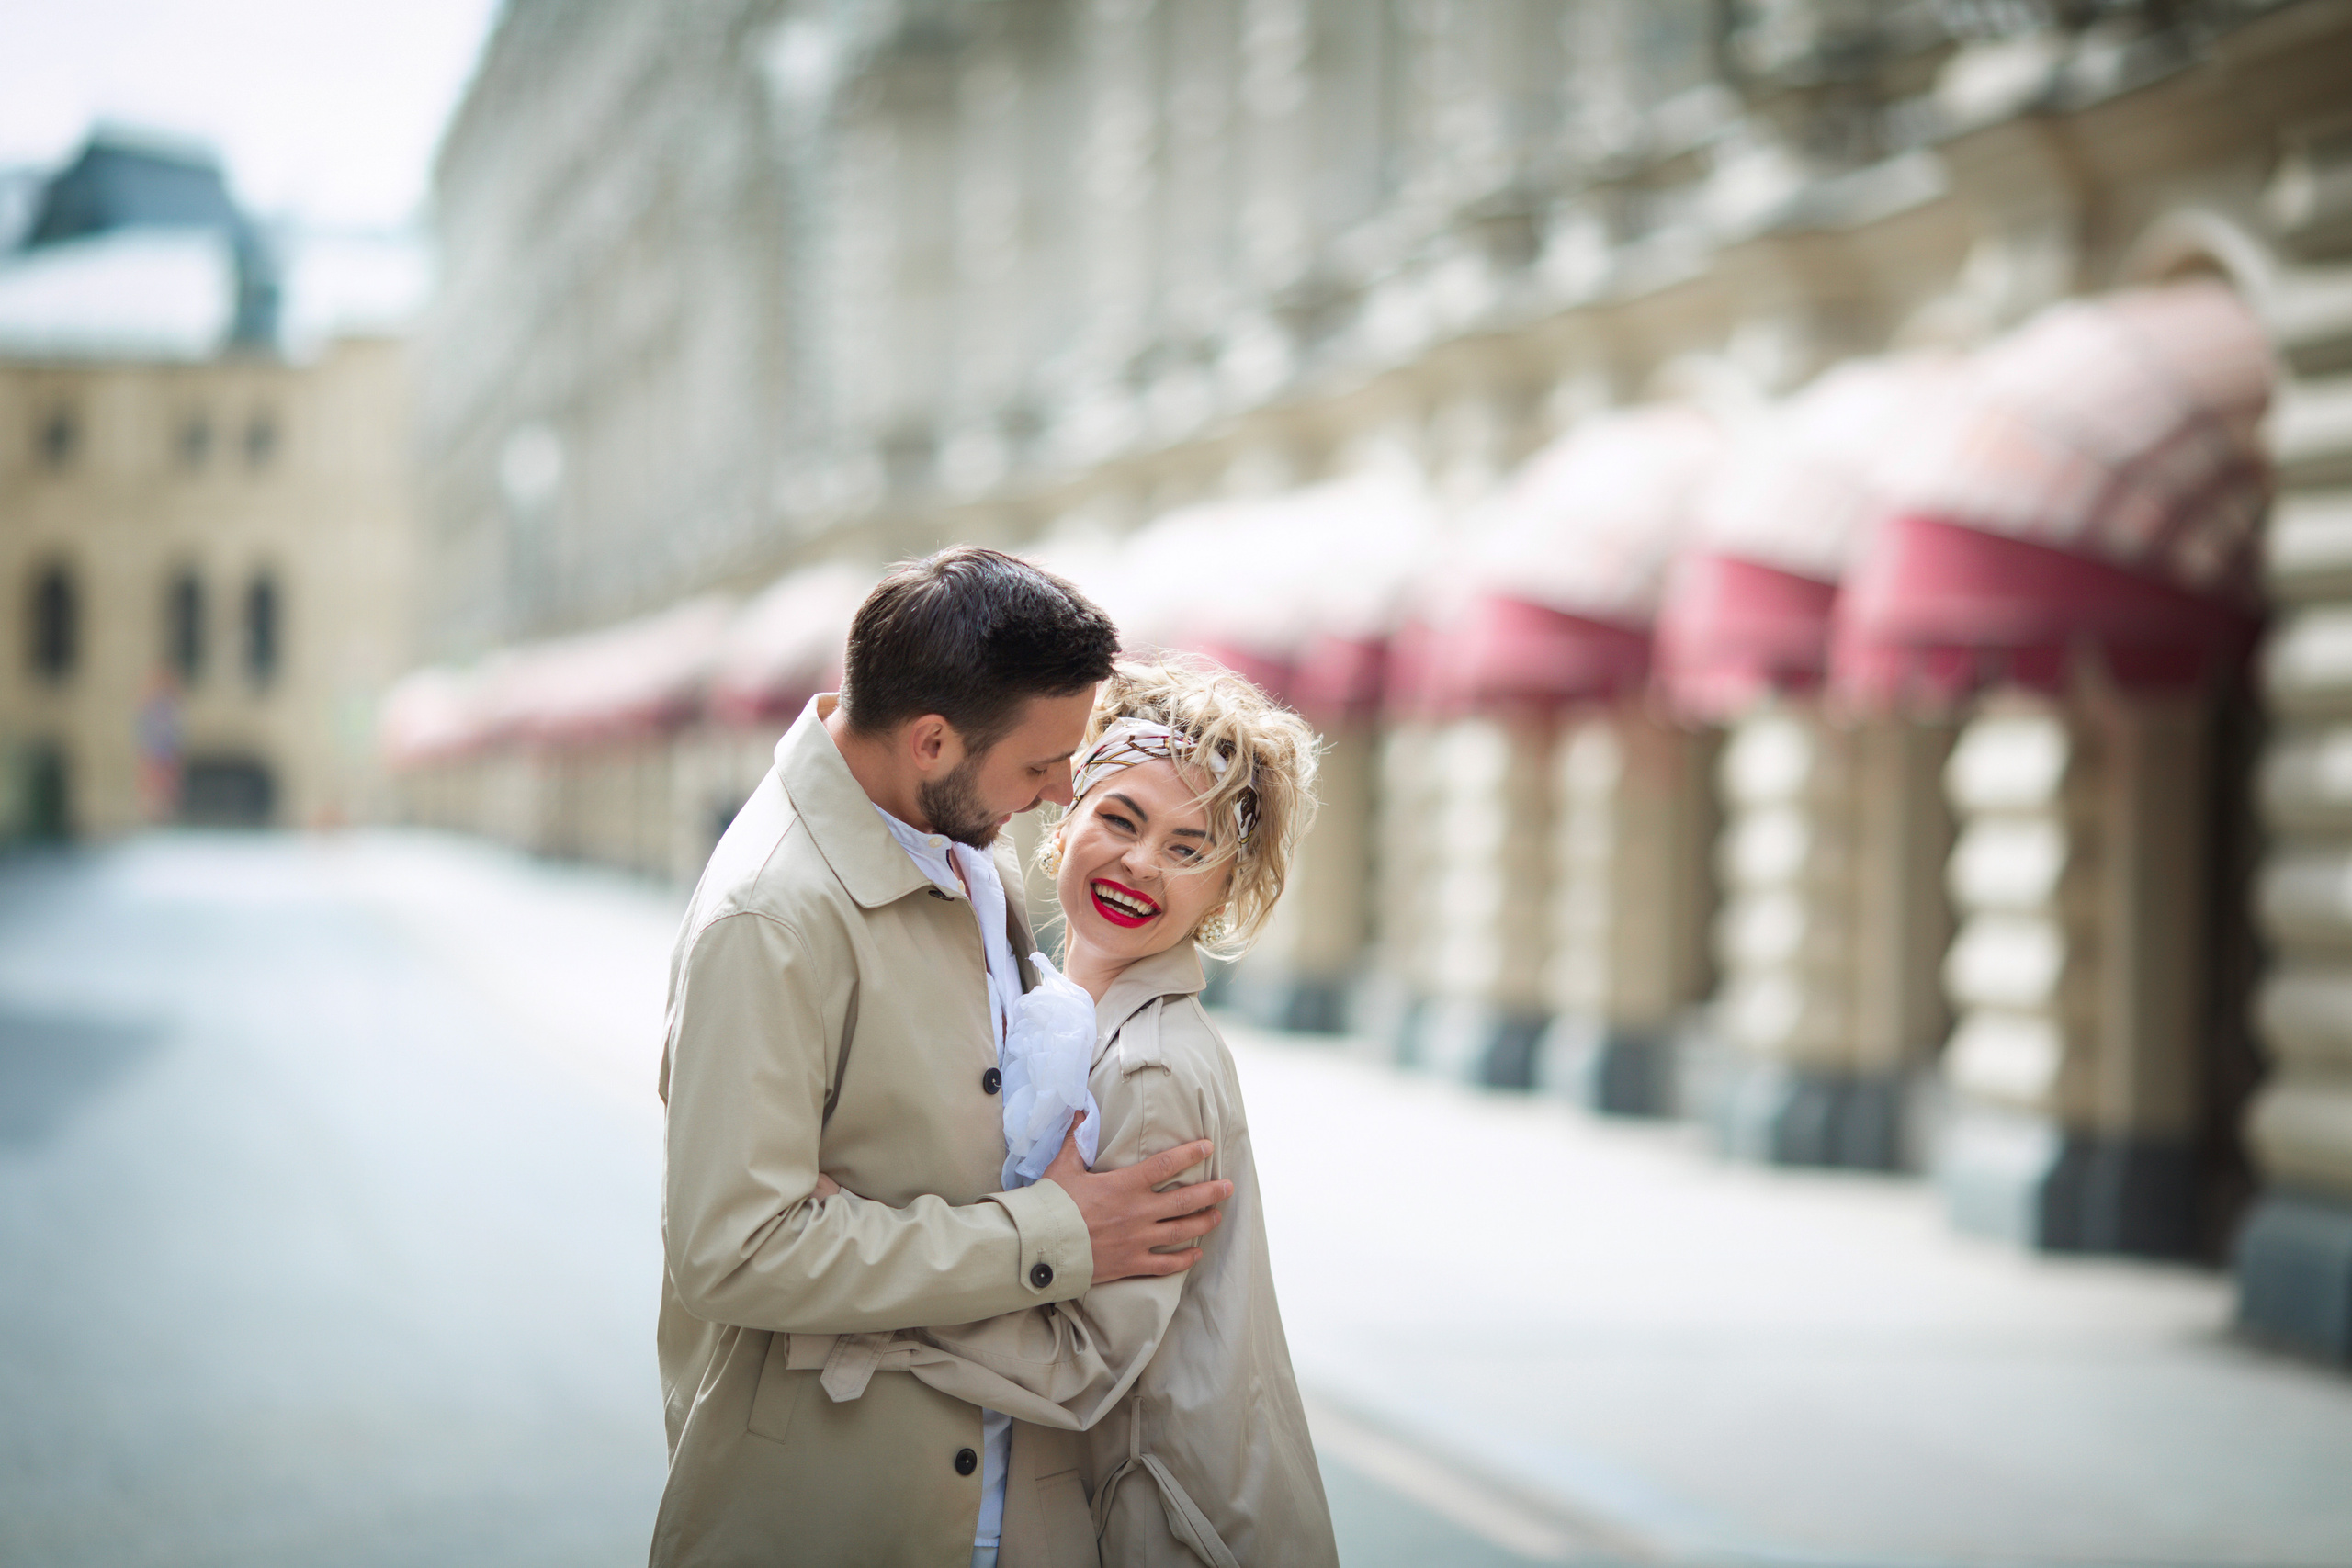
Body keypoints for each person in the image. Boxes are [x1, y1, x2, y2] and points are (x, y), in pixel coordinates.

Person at [650, 548, 1234, 1568]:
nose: (1063, 792)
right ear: (931, 741)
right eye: (1041, 764)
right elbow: (733, 1252)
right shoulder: (770, 918)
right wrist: (1051, 1233)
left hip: (988, 1496)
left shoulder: (950, 828)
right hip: (833, 1509)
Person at [820, 656, 1340, 1566]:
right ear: (1066, 824)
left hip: (1164, 1532)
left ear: (1222, 894)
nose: (1141, 863)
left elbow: (1080, 1364)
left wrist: (858, 1279)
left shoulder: (1148, 1070)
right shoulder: (1056, 1014)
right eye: (1121, 819)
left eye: (1189, 849)